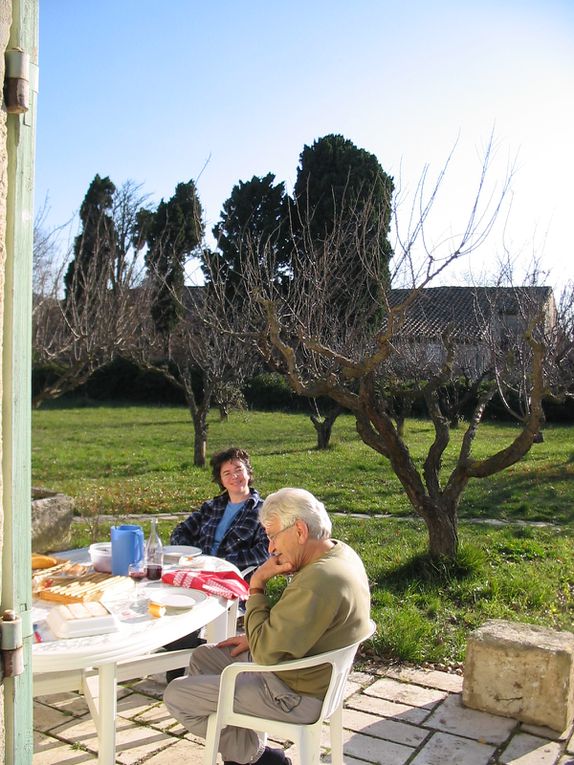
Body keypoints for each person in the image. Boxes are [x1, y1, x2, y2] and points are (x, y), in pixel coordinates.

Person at [164, 487, 371, 765]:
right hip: (312, 669)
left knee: (178, 695)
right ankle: (247, 758)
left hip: (295, 694)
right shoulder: (339, 553)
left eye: (273, 536)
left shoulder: (318, 582)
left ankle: (258, 759)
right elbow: (297, 626)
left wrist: (257, 583)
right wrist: (255, 637)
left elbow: (264, 655)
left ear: (299, 530)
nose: (271, 547)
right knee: (204, 656)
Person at [164, 447, 269, 682]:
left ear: (248, 473)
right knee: (170, 598)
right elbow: (181, 531)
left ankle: (180, 663)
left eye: (239, 470)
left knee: (189, 604)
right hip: (198, 571)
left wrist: (221, 565)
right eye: (227, 473)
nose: (235, 477)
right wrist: (190, 557)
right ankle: (183, 651)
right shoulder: (212, 506)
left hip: (231, 579)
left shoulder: (262, 510)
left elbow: (264, 551)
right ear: (220, 480)